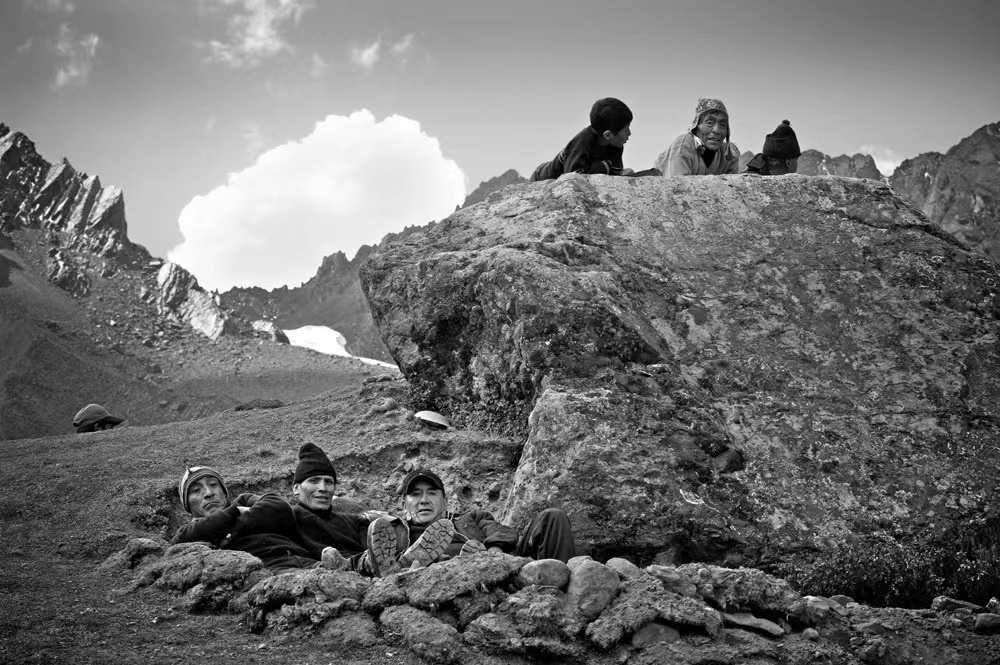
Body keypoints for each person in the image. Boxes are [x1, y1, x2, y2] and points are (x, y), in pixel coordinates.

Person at [289, 443, 457, 577]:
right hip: (339, 574)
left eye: (328, 482)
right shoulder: (287, 517)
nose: (323, 488)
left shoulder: (350, 520)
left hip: (375, 574)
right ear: (296, 488)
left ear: (445, 500)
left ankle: (409, 565)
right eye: (314, 481)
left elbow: (378, 546)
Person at [383, 468, 577, 567]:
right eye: (416, 494)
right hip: (435, 581)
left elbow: (503, 531)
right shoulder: (394, 532)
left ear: (445, 501)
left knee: (553, 517)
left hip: (496, 569)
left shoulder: (471, 518)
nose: (424, 500)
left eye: (432, 493)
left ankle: (560, 589)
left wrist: (492, 553)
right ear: (404, 504)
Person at [172, 465, 338, 571]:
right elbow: (181, 540)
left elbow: (279, 507)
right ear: (187, 505)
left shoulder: (244, 500)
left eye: (213, 485)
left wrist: (232, 528)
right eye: (196, 490)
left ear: (224, 491)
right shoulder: (189, 532)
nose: (208, 493)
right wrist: (235, 512)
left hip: (306, 559)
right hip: (270, 571)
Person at [530, 98, 636, 181]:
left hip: (586, 171)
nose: (629, 133)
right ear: (608, 135)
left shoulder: (616, 145)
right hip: (541, 177)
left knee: (629, 172)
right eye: (626, 129)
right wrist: (602, 168)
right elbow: (571, 178)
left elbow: (615, 173)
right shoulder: (581, 145)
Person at [654, 98, 741, 176]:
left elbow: (733, 186)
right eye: (709, 123)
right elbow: (678, 185)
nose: (717, 130)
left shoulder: (728, 153)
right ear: (696, 127)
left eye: (722, 125)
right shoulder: (684, 143)